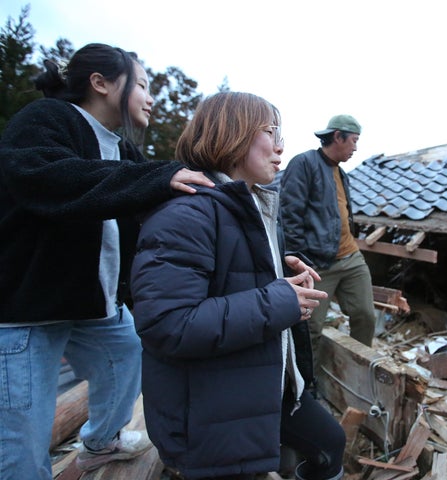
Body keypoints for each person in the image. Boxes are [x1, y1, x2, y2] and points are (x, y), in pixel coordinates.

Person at [0, 43, 214, 479]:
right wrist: (155, 177)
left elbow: (147, 192)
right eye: (142, 85)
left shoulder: (118, 149)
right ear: (100, 84)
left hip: (89, 304)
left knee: (125, 355)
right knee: (24, 435)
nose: (150, 97)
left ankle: (101, 442)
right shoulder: (46, 121)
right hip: (27, 311)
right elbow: (48, 178)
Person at [130, 92, 346, 480]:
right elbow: (168, 323)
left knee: (330, 444)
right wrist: (280, 298)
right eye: (270, 131)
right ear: (232, 135)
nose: (281, 145)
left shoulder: (251, 206)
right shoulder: (185, 213)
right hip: (209, 410)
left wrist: (274, 267)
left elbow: (226, 278)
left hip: (260, 381)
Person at [280, 115, 376, 375]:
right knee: (311, 327)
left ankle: (359, 373)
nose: (355, 147)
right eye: (354, 141)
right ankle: (308, 381)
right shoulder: (305, 163)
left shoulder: (341, 173)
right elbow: (290, 214)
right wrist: (300, 259)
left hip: (351, 256)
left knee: (366, 315)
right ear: (338, 136)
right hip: (318, 262)